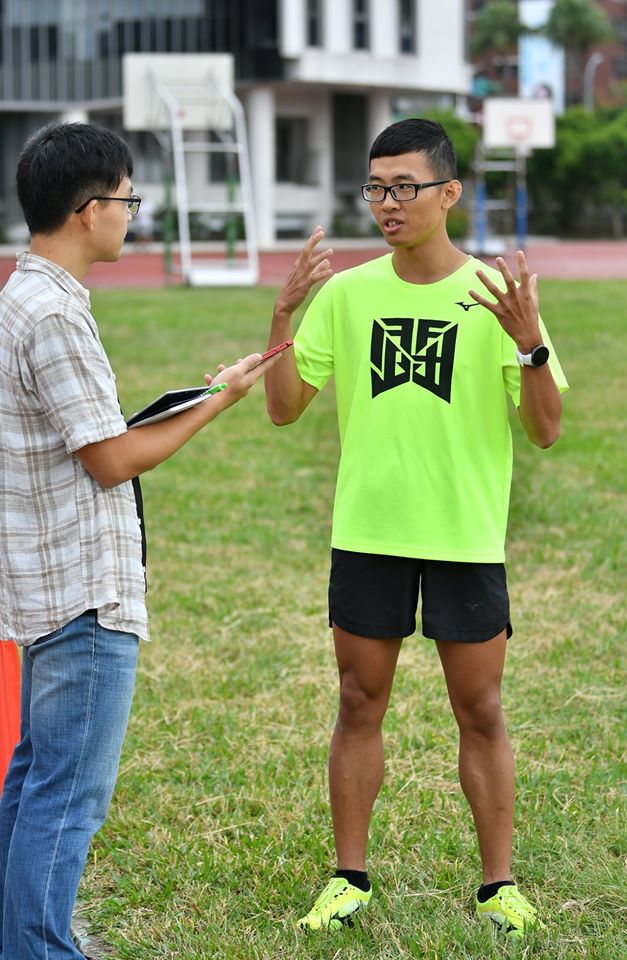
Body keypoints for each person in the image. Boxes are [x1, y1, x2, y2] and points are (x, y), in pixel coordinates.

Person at [264, 118, 568, 938]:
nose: (387, 203)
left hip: (464, 535)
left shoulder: (497, 295)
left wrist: (531, 344)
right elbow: (285, 409)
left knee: (483, 710)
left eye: (405, 187)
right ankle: (349, 880)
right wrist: (284, 314)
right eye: (376, 188)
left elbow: (545, 429)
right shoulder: (347, 294)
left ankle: (498, 885)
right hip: (369, 532)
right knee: (358, 701)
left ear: (449, 193)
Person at [0, 121, 278, 960]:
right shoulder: (54, 314)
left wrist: (195, 395)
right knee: (67, 796)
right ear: (88, 209)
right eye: (127, 198)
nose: (132, 213)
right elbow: (111, 458)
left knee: (36, 778)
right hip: (82, 589)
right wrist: (219, 403)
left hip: (48, 580)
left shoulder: (24, 296)